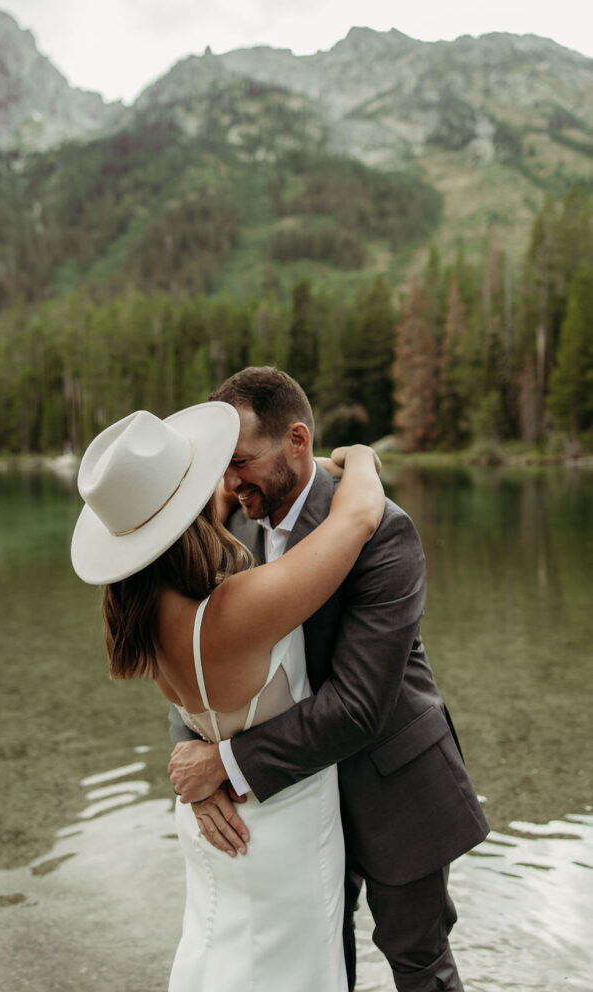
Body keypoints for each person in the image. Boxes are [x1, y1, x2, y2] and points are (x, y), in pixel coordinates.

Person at [168, 367, 490, 992]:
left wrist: (228, 762)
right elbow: (191, 658)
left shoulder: (382, 529)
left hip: (394, 781)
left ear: (297, 441)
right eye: (222, 467)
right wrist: (192, 759)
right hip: (292, 804)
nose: (231, 482)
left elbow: (360, 706)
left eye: (242, 461)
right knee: (319, 962)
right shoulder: (228, 529)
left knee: (418, 961)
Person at [70, 399, 386, 992]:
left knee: (216, 956)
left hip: (210, 820)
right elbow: (360, 516)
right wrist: (361, 455)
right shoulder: (235, 612)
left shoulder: (139, 614)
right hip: (280, 828)